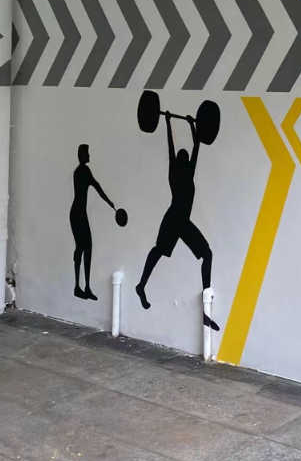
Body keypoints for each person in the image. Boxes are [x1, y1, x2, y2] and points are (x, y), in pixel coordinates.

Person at [135, 111, 218, 330]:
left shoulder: (184, 172)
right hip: (173, 219)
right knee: (159, 251)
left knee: (206, 254)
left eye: (184, 155)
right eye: (183, 156)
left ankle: (205, 305)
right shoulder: (179, 173)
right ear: (182, 161)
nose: (184, 155)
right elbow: (176, 146)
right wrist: (172, 123)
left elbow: (195, 146)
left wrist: (184, 124)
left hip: (180, 221)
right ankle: (141, 285)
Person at [72, 144, 116, 301]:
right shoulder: (83, 171)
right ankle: (80, 287)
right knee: (84, 247)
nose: (89, 156)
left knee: (83, 248)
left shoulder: (80, 171)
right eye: (87, 153)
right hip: (78, 214)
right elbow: (97, 187)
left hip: (78, 213)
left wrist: (109, 202)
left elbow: (96, 186)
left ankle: (83, 287)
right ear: (82, 155)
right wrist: (109, 202)